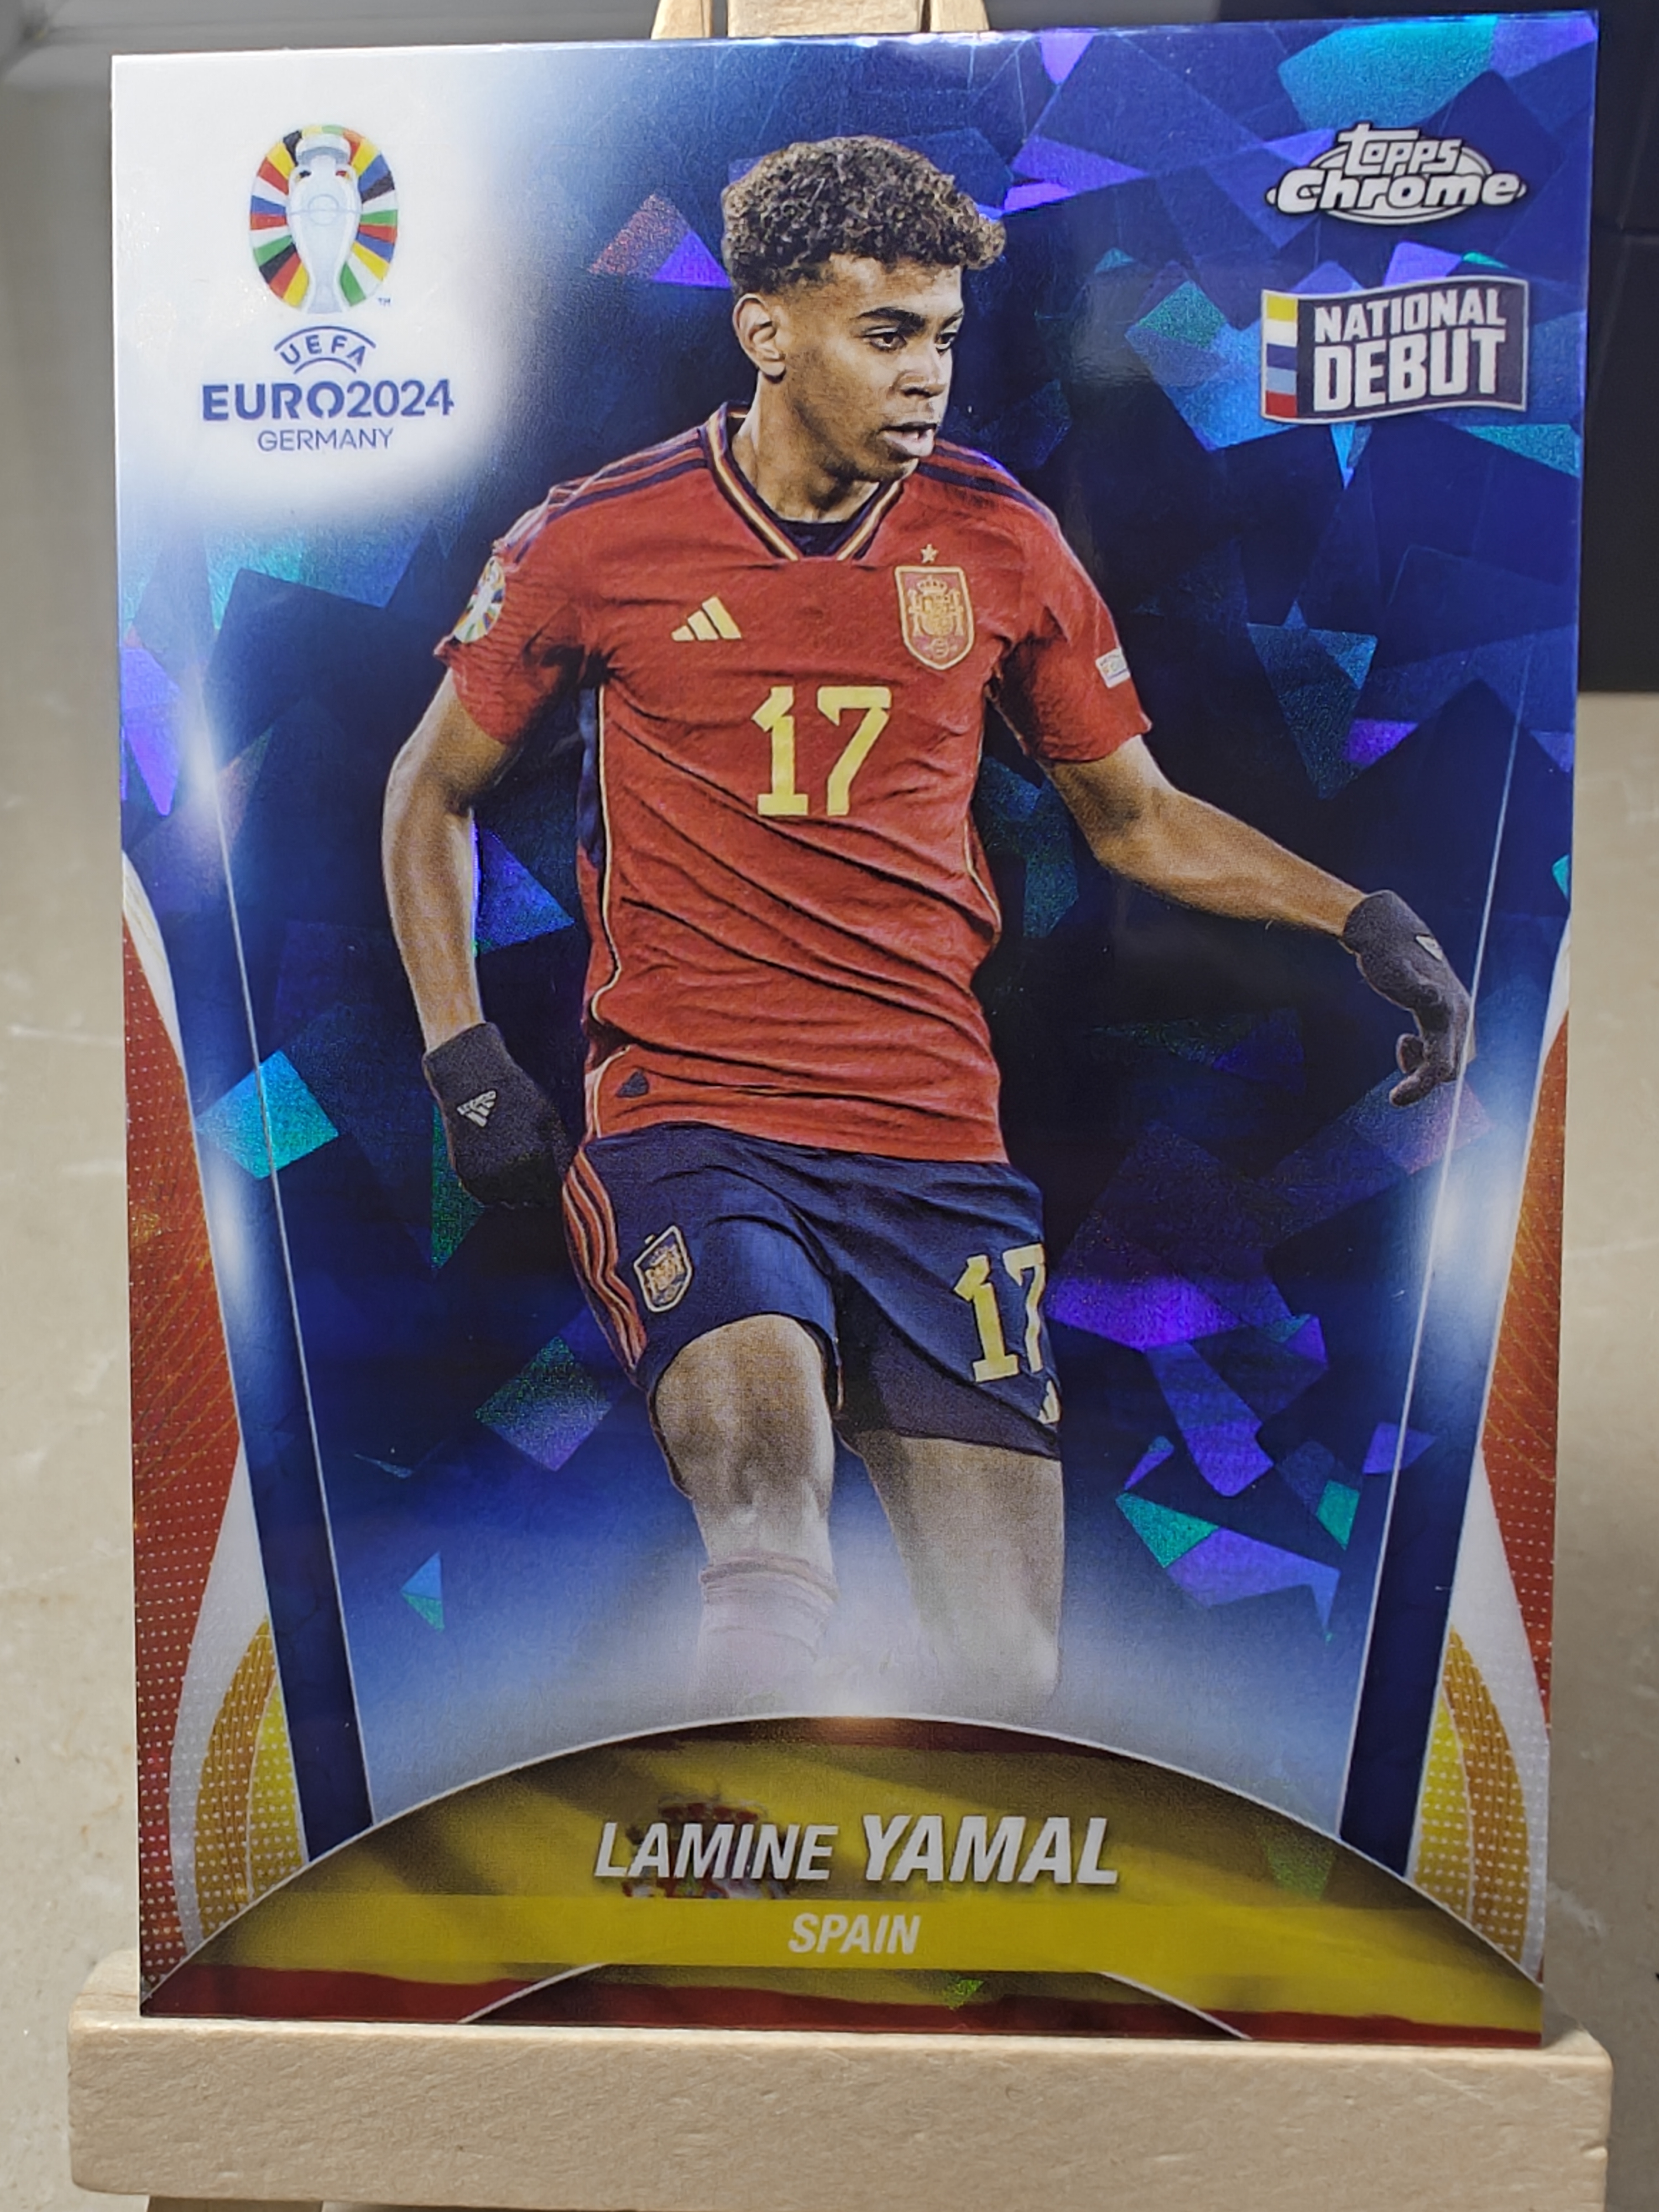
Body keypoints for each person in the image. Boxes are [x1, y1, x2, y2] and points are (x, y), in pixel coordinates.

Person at [383, 136, 1469, 1723]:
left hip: (936, 1152)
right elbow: (430, 790)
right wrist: (462, 1054)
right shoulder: (595, 536)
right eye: (885, 333)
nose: (928, 374)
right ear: (766, 332)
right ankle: (719, 1838)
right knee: (769, 1496)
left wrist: (1362, 919)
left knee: (1008, 1675)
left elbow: (1137, 818)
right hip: (696, 1117)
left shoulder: (1002, 540)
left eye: (946, 336)